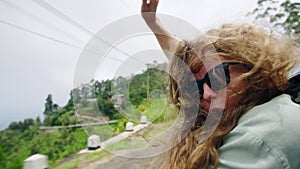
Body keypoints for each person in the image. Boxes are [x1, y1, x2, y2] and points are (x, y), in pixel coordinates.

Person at [141, 0, 300, 169]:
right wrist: (154, 24)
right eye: (194, 89)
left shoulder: (266, 131)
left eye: (217, 76)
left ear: (252, 67)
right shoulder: (243, 110)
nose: (207, 94)